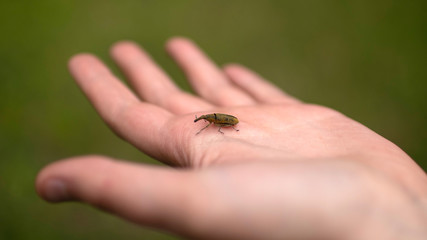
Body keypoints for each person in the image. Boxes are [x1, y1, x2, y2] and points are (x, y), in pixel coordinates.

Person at [36, 37, 427, 240]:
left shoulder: (218, 121)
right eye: (208, 119)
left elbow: (221, 121)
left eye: (208, 119)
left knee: (222, 124)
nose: (206, 121)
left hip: (234, 119)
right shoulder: (211, 120)